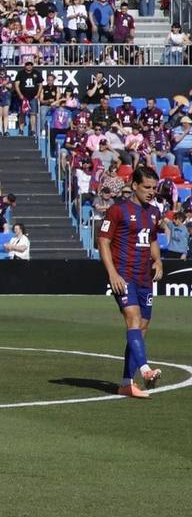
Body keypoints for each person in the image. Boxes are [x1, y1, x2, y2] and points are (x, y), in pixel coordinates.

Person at [97, 166, 164, 399]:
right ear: (134, 185)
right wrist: (113, 274)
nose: (151, 192)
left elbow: (152, 239)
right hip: (123, 275)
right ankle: (146, 371)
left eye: (154, 188)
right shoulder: (118, 210)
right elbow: (103, 242)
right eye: (147, 187)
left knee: (141, 328)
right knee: (133, 319)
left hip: (144, 277)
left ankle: (127, 382)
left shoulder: (154, 212)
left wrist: (158, 261)